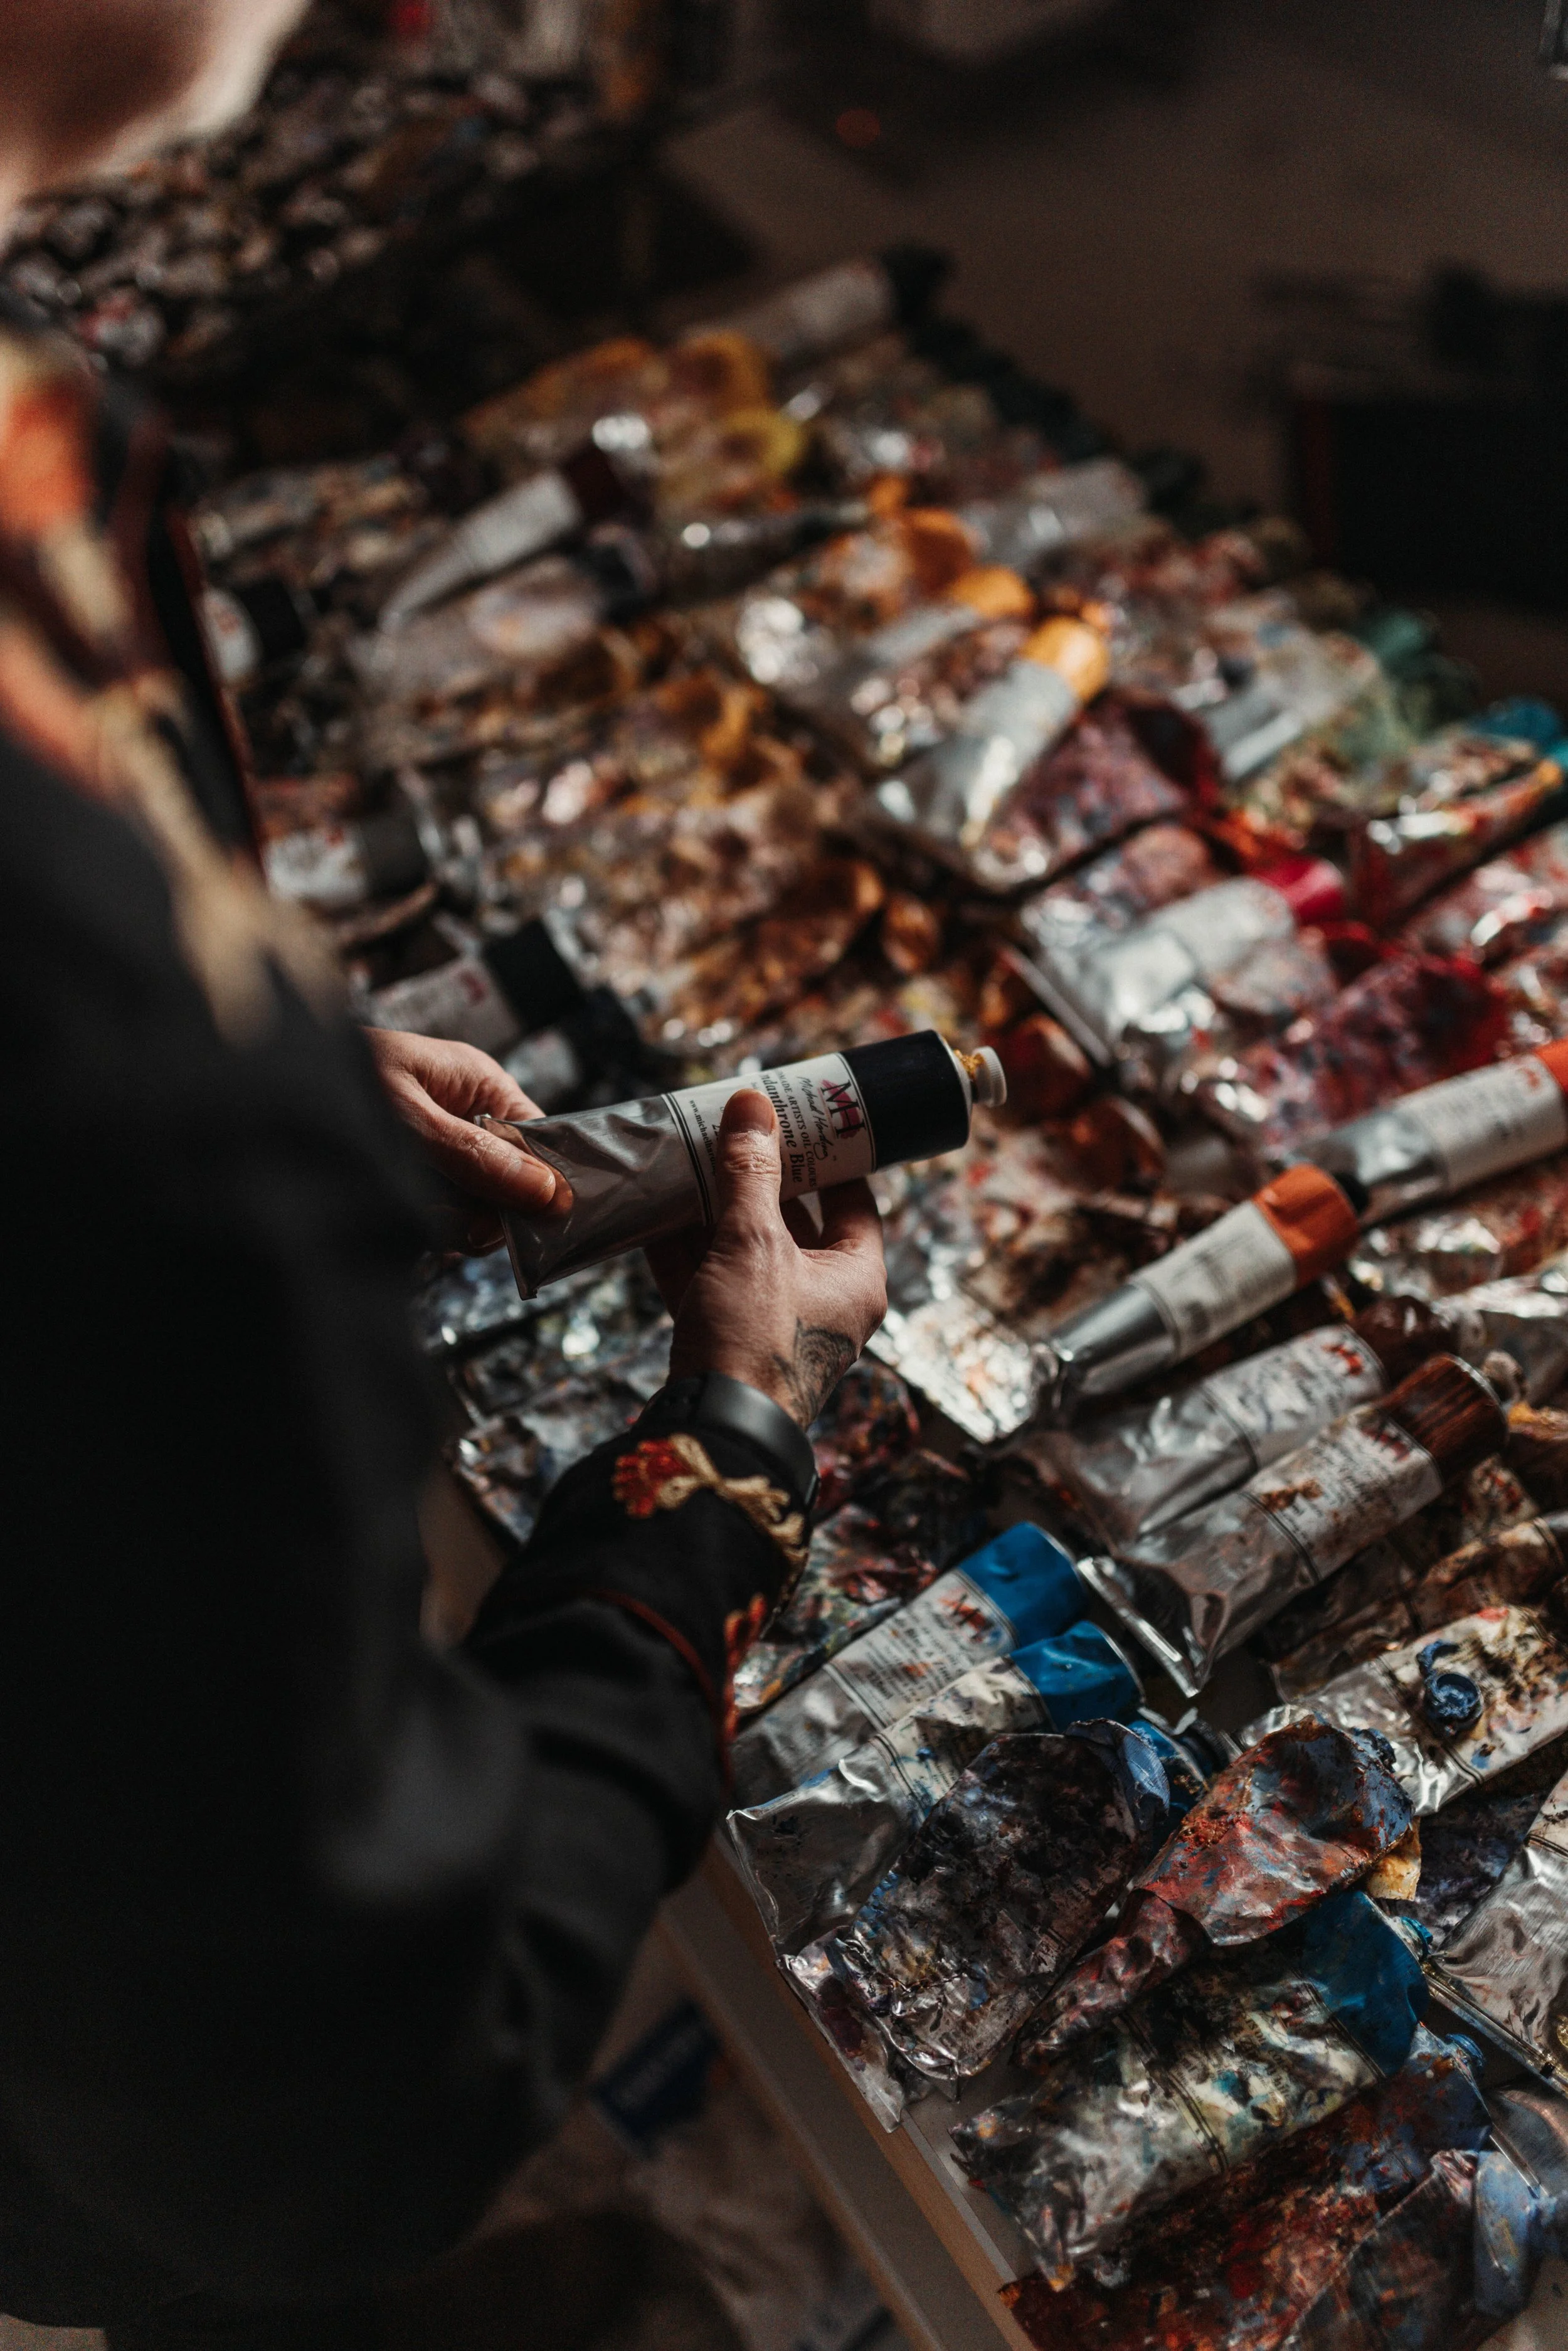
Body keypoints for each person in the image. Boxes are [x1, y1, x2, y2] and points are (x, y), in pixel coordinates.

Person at [0, 4, 888, 2345]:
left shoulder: (40, 436)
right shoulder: (125, 1099)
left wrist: (248, 1048)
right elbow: (350, 2112)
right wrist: (724, 1456)